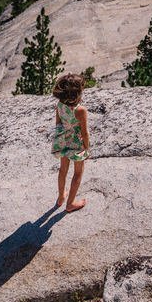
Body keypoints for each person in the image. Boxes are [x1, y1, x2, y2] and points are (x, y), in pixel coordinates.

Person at [50, 72, 91, 212]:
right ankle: (70, 203)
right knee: (78, 173)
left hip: (63, 140)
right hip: (76, 144)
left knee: (63, 169)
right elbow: (84, 132)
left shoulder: (59, 105)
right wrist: (87, 147)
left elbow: (58, 123)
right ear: (77, 94)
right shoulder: (80, 110)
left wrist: (60, 139)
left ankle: (61, 197)